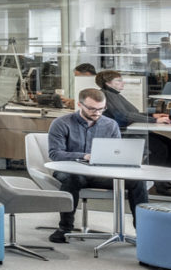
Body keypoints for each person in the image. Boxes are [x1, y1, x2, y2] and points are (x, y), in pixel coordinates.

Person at [46, 88, 149, 243]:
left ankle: (144, 233)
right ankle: (65, 228)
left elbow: (116, 154)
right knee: (71, 179)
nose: (97, 113)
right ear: (80, 105)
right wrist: (84, 156)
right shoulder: (61, 124)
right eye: (92, 109)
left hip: (100, 174)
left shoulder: (111, 125)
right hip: (70, 171)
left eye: (101, 109)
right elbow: (55, 154)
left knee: (138, 182)